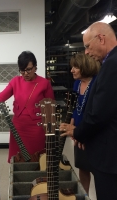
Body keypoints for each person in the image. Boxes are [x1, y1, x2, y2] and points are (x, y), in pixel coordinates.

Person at [60, 22, 117, 200]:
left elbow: (100, 114)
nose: (86, 52)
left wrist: (79, 132)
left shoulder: (112, 65)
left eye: (87, 46)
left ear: (100, 38)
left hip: (109, 156)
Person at [0, 51, 54, 162]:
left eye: (29, 69)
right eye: (22, 70)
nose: (25, 73)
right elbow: (0, 97)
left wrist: (51, 132)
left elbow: (50, 109)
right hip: (18, 128)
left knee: (37, 160)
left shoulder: (44, 83)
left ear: (35, 67)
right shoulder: (16, 81)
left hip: (37, 128)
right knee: (18, 160)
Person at [69, 52, 100, 194]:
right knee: (82, 166)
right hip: (79, 131)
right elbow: (76, 107)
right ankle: (85, 195)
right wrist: (72, 126)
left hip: (93, 133)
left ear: (85, 66)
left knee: (97, 169)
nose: (72, 70)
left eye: (75, 67)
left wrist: (84, 133)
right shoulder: (77, 83)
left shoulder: (97, 82)